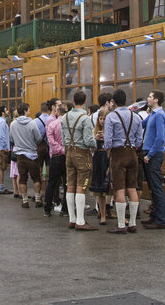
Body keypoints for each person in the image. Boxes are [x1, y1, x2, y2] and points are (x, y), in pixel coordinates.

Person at [103, 89, 143, 234]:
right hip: (132, 153)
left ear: (113, 102)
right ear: (126, 100)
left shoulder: (111, 117)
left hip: (118, 154)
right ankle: (132, 223)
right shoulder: (136, 116)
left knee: (119, 188)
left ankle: (121, 225)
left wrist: (108, 148)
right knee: (132, 187)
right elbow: (139, 140)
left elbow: (107, 141)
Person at [60, 90, 97, 231]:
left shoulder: (64, 117)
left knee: (70, 185)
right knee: (82, 186)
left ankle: (72, 219)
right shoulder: (85, 119)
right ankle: (80, 221)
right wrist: (96, 141)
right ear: (85, 101)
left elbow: (64, 138)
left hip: (69, 152)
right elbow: (88, 141)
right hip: (82, 154)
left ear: (73, 101)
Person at [141, 90, 165, 230]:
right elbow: (141, 124)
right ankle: (154, 216)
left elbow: (160, 139)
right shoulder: (152, 114)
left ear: (156, 100)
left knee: (156, 187)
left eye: (150, 97)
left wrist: (149, 155)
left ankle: (160, 220)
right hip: (149, 152)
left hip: (154, 155)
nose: (148, 98)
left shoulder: (159, 115)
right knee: (152, 187)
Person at [10, 103, 42, 208]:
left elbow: (11, 139)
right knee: (36, 178)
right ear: (25, 111)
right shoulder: (32, 123)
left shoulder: (13, 124)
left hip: (20, 155)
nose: (29, 111)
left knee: (22, 178)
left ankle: (24, 200)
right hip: (32, 154)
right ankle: (38, 199)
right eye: (28, 110)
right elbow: (38, 138)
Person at [43, 102, 68, 217]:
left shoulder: (52, 125)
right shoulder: (69, 124)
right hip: (67, 157)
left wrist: (59, 149)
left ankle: (47, 208)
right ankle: (65, 209)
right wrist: (65, 150)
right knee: (68, 184)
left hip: (56, 157)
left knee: (52, 183)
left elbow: (51, 141)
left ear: (58, 112)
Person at [89, 106, 110, 224]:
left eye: (104, 118)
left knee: (112, 189)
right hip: (97, 159)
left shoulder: (111, 130)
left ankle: (110, 211)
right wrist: (95, 139)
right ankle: (102, 214)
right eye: (101, 119)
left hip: (107, 159)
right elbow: (91, 149)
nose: (102, 121)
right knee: (100, 189)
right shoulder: (94, 131)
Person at [0, 105, 12, 194]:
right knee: (1, 167)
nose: (8, 111)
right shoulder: (2, 122)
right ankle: (1, 187)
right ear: (2, 113)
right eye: (6, 110)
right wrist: (5, 147)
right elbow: (3, 136)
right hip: (2, 147)